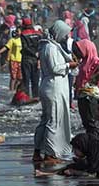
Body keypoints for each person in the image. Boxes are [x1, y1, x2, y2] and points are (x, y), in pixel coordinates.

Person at [30, 20, 73, 163]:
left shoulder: (49, 46)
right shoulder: (51, 48)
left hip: (50, 86)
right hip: (53, 87)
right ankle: (49, 153)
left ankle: (38, 152)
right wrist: (69, 65)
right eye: (65, 34)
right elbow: (55, 68)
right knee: (53, 120)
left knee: (46, 120)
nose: (66, 37)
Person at [74, 39, 99, 140]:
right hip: (83, 94)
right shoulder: (85, 61)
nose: (78, 52)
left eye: (80, 50)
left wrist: (94, 79)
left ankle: (94, 144)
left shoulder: (94, 60)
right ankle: (91, 144)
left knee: (92, 122)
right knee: (87, 123)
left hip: (90, 96)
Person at [19, 18, 42, 98]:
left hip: (27, 59)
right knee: (35, 81)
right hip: (36, 60)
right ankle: (36, 97)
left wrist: (34, 53)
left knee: (26, 81)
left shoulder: (23, 34)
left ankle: (27, 98)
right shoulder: (38, 33)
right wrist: (38, 55)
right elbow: (41, 45)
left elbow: (25, 47)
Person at [0, 27, 23, 91]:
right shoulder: (12, 40)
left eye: (18, 31)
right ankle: (11, 91)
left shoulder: (23, 40)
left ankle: (16, 90)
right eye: (16, 31)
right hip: (13, 60)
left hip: (21, 61)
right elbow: (6, 47)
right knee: (13, 78)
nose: (16, 32)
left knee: (20, 78)